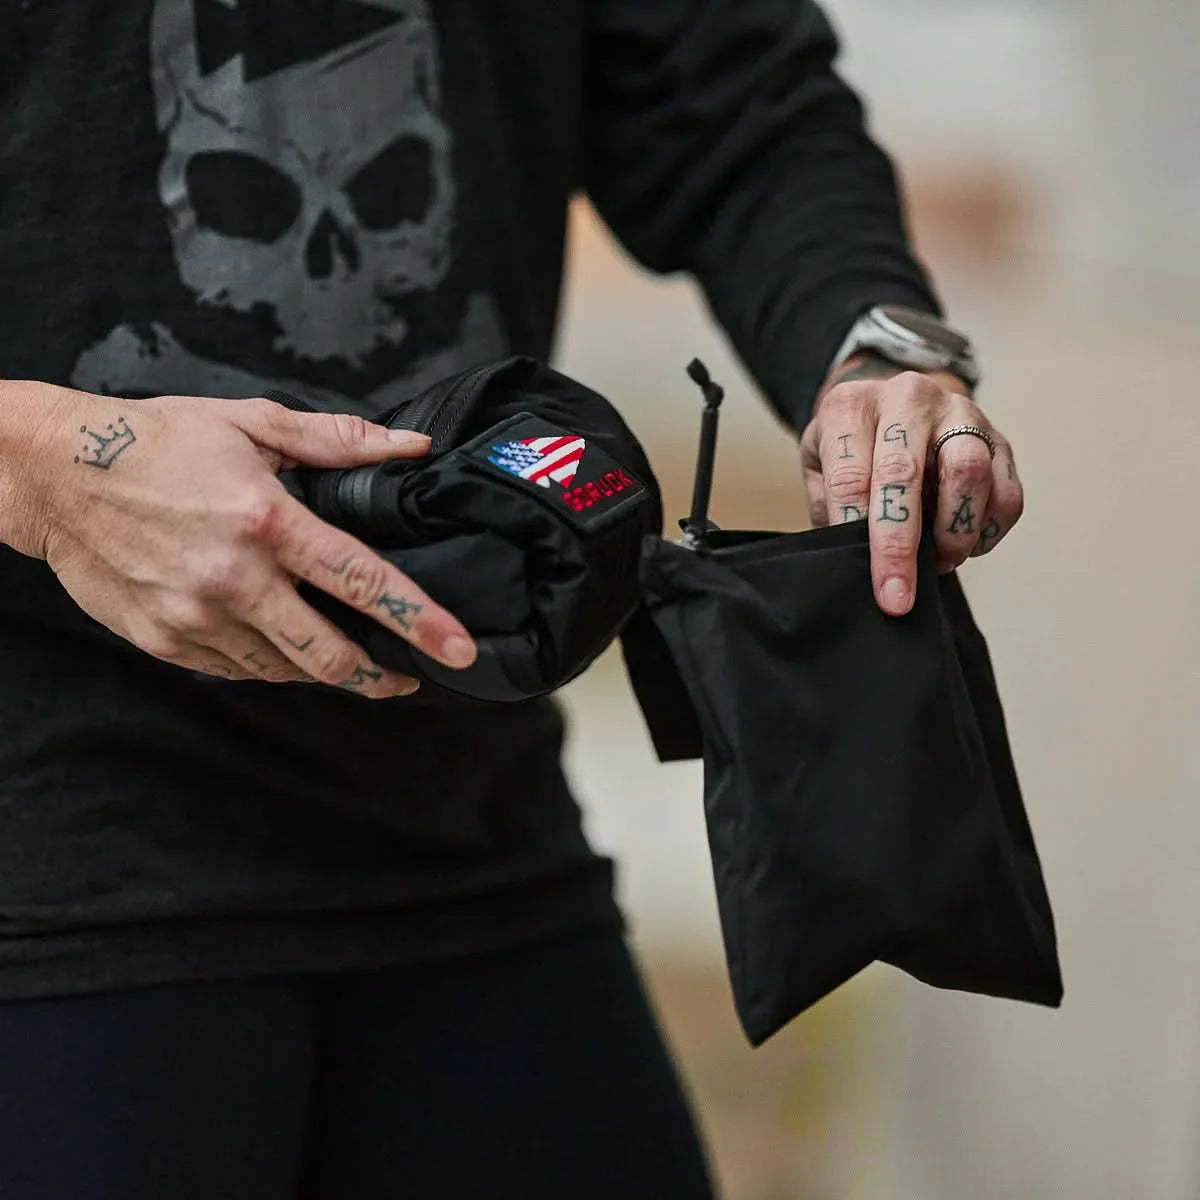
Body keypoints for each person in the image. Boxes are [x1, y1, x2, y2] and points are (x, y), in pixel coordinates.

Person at [0, 1, 1024, 1197]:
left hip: (471, 828)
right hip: (44, 889)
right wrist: (37, 463)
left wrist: (876, 347)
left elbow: (736, 101)